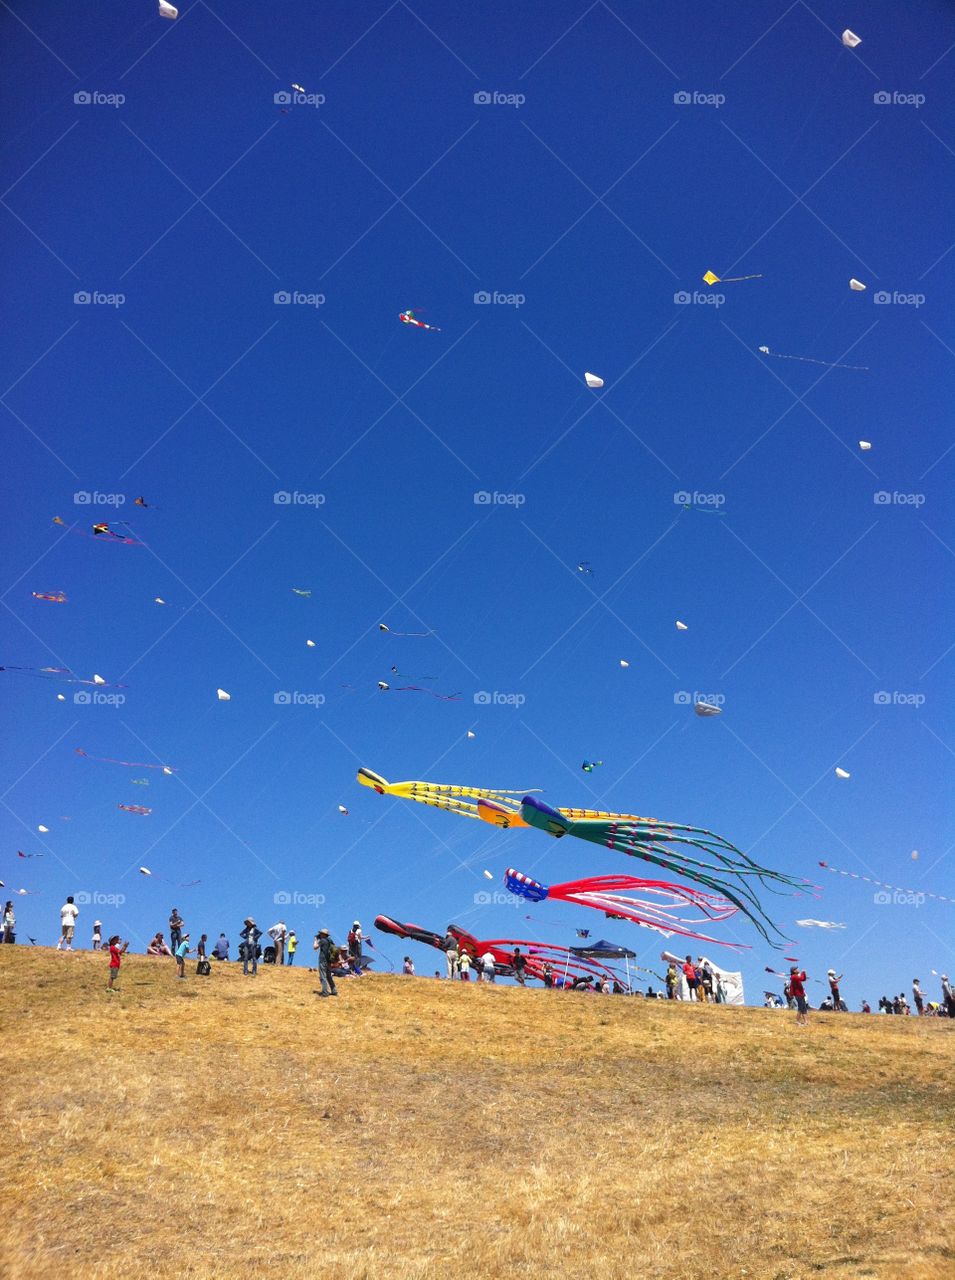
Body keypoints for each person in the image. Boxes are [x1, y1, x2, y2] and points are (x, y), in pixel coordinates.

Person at [315, 928, 337, 997]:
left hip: (323, 960)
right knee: (329, 976)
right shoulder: (330, 941)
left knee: (323, 976)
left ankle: (325, 992)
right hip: (329, 961)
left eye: (321, 933)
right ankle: (334, 990)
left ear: (323, 934)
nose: (320, 935)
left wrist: (315, 940)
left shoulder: (322, 940)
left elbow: (315, 947)